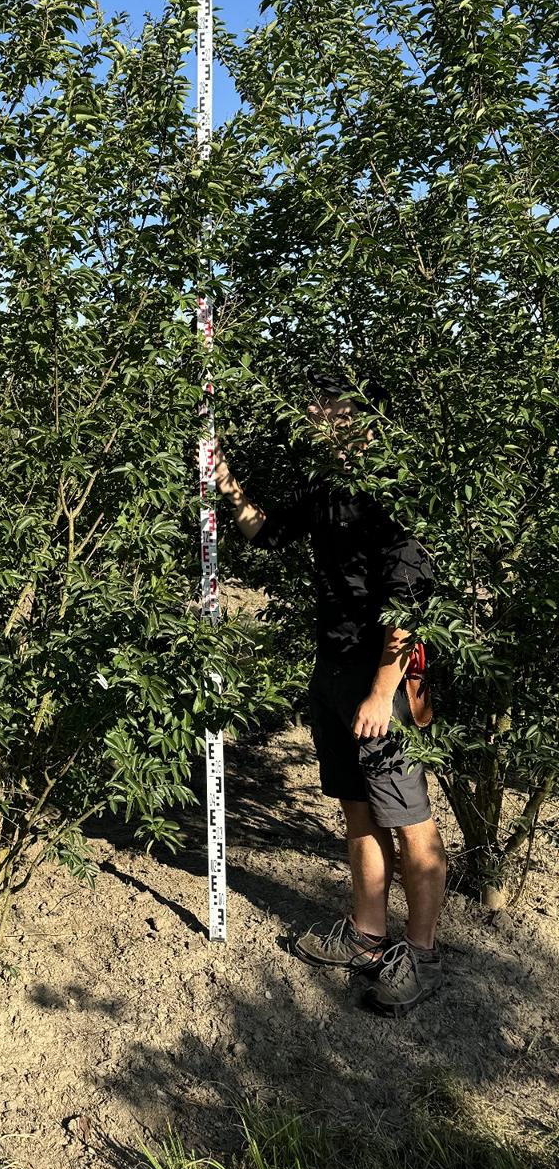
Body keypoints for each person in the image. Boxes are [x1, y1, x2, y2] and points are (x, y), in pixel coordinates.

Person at [214, 372, 448, 1016]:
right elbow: (263, 531)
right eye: (314, 411)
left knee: (410, 825)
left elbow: (407, 601)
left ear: (363, 415)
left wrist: (382, 692)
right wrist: (225, 480)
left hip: (386, 679)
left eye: (329, 410)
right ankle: (369, 936)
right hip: (334, 671)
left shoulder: (395, 489)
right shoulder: (325, 487)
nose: (318, 420)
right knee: (358, 809)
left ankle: (422, 956)